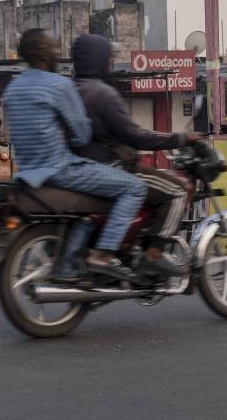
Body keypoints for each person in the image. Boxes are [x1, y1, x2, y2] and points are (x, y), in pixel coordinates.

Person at [3, 28, 147, 277]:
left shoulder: (12, 88)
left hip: (28, 172)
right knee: (134, 188)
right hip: (61, 168)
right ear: (42, 52)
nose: (59, 53)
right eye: (55, 47)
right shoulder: (59, 85)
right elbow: (81, 134)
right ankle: (103, 254)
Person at [71, 33, 201, 275]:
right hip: (110, 167)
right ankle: (153, 254)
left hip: (78, 168)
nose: (111, 63)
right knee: (178, 190)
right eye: (108, 58)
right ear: (101, 60)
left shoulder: (69, 90)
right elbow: (136, 136)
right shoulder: (103, 94)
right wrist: (181, 137)